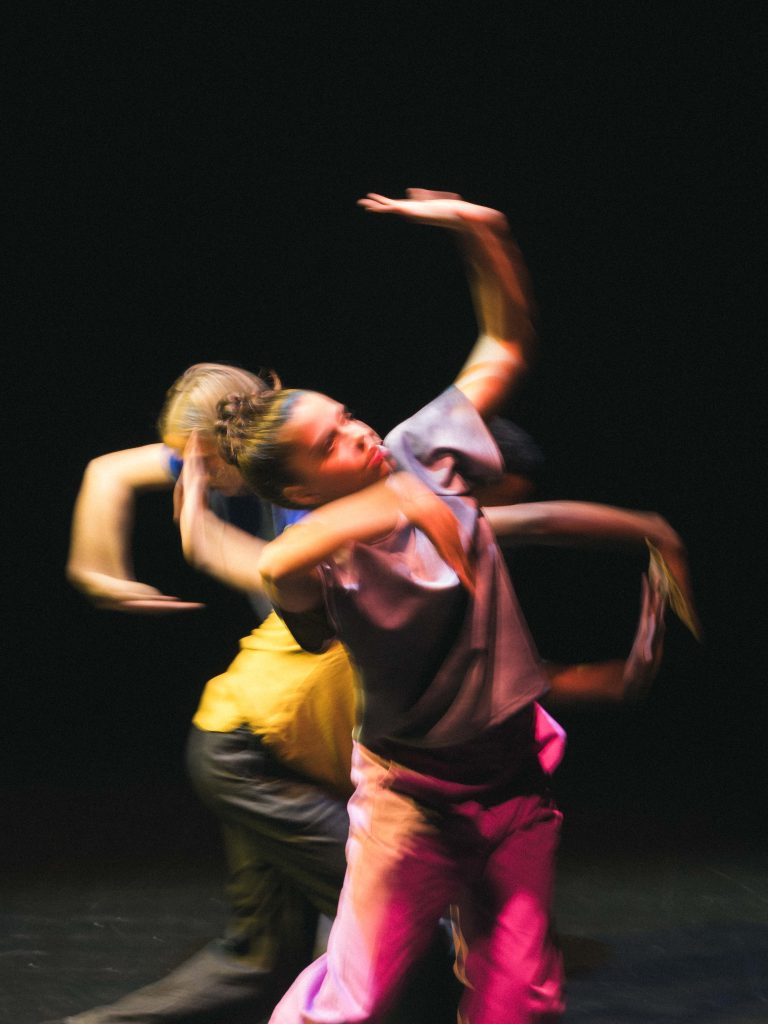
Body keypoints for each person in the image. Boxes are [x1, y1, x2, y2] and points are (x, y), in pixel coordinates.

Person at [177, 190, 698, 1023]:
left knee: (522, 995)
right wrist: (392, 502)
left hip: (512, 782)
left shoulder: (419, 451)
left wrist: (483, 233)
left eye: (348, 416)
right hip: (412, 803)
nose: (360, 432)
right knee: (354, 1000)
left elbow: (505, 344)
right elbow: (272, 562)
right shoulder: (322, 560)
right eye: (332, 443)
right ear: (302, 491)